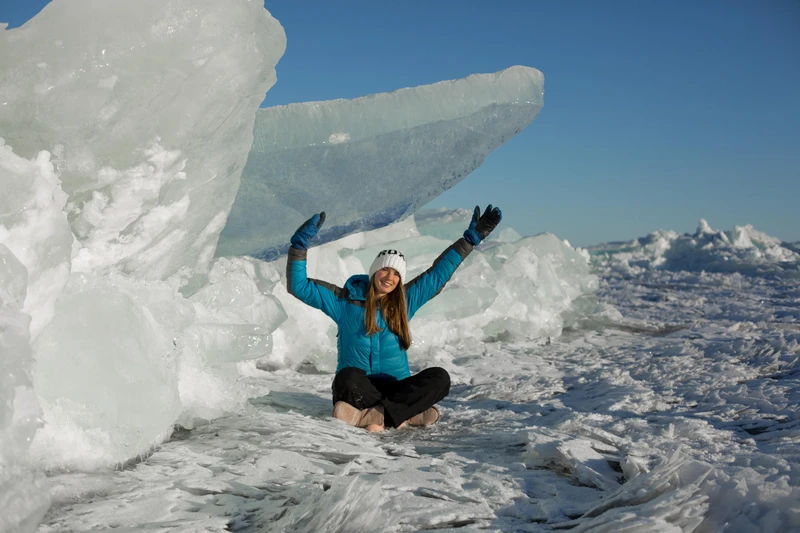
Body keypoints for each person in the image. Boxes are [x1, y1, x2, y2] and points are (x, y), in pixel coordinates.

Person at [286, 205, 502, 432]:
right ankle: (404, 415)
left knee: (440, 378)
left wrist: (469, 241)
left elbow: (438, 274)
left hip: (396, 389)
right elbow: (299, 286)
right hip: (359, 389)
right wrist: (298, 247)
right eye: (385, 270)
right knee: (346, 377)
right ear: (374, 272)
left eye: (396, 274)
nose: (390, 277)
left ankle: (371, 417)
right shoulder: (343, 300)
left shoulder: (406, 301)